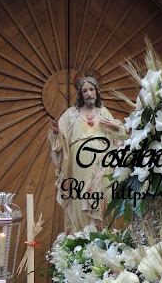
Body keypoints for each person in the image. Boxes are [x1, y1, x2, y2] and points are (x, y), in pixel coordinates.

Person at [47, 76, 127, 232]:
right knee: (79, 195)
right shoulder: (70, 114)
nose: (89, 93)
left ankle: (100, 237)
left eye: (91, 89)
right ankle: (79, 237)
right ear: (80, 94)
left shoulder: (103, 112)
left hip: (102, 163)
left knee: (100, 197)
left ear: (97, 92)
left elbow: (120, 135)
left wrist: (116, 127)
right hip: (78, 164)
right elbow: (57, 139)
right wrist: (56, 132)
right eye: (85, 91)